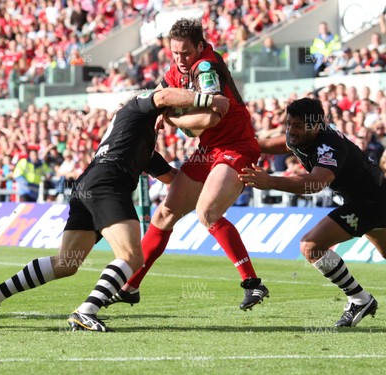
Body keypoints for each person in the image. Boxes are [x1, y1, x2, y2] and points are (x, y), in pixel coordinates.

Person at [0, 87, 230, 332]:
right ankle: (86, 310)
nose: (169, 121)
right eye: (170, 114)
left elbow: (175, 179)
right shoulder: (135, 109)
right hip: (108, 183)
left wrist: (220, 178)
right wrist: (208, 101)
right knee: (132, 257)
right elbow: (162, 96)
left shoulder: (139, 141)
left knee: (66, 263)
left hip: (88, 184)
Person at [240, 98, 386, 327]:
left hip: (368, 201)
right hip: (372, 195)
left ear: (316, 125)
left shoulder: (328, 146)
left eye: (297, 126)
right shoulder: (304, 135)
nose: (291, 130)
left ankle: (359, 299)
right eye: (288, 123)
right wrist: (241, 145)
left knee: (310, 246)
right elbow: (280, 143)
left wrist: (270, 181)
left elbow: (316, 183)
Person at [107, 18, 269, 311]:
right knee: (163, 215)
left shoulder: (206, 68)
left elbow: (208, 120)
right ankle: (130, 286)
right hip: (209, 150)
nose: (181, 60)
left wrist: (170, 118)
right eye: (175, 53)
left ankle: (253, 284)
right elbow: (155, 97)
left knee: (207, 213)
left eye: (186, 53)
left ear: (200, 46)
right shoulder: (175, 71)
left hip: (237, 146)